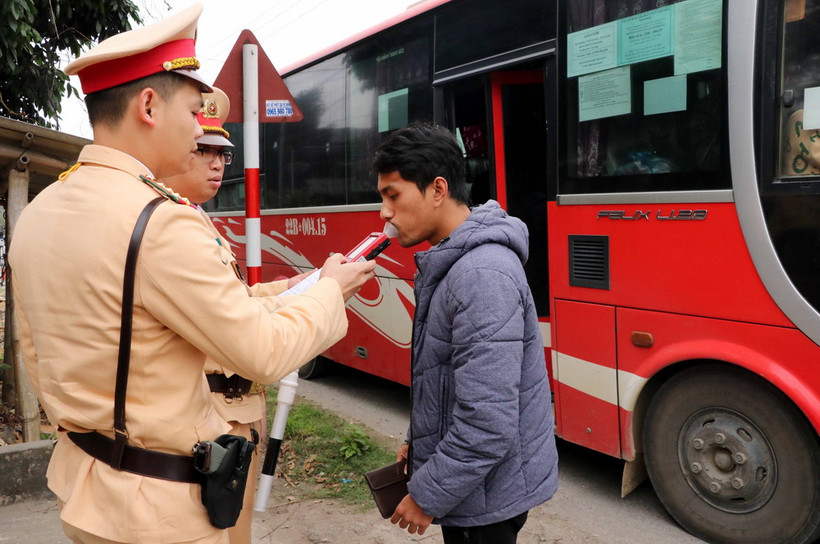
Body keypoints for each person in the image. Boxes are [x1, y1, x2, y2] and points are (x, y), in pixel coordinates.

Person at [7, 5, 376, 544]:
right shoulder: (158, 221)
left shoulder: (41, 210)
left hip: (84, 487)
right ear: (150, 106)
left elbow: (32, 349)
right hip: (159, 507)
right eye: (193, 109)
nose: (198, 128)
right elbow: (263, 352)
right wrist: (329, 291)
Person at [373, 122, 558, 543]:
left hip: (487, 499)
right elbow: (447, 378)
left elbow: (488, 421)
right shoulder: (454, 261)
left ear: (438, 190)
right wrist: (419, 441)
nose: (384, 213)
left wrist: (427, 496)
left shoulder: (481, 274)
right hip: (475, 488)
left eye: (393, 195)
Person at [162, 86, 285, 544]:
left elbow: (231, 299)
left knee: (238, 529)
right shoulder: (172, 226)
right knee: (223, 531)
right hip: (213, 414)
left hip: (238, 409)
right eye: (204, 151)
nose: (216, 163)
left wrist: (285, 290)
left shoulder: (198, 220)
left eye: (223, 154)